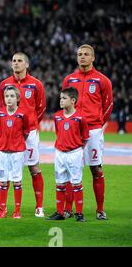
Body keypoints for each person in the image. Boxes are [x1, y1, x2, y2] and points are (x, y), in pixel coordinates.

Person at [0, 52, 46, 218]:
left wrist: (29, 124)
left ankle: (39, 206)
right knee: (5, 171)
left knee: (34, 168)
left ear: (26, 64)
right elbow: (2, 108)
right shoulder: (5, 84)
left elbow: (41, 108)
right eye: (14, 61)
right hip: (10, 133)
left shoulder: (36, 84)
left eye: (20, 61)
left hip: (30, 132)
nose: (16, 63)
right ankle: (2, 206)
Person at [61, 44, 113, 220]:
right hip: (73, 130)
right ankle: (68, 209)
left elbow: (108, 106)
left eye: (86, 54)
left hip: (93, 131)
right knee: (70, 169)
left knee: (96, 169)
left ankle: (100, 210)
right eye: (79, 54)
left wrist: (96, 124)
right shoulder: (69, 80)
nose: (82, 57)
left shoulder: (102, 80)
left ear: (93, 58)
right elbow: (64, 103)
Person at [47, 87, 89, 222]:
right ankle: (60, 212)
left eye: (64, 98)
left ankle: (79, 213)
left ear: (73, 100)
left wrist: (76, 149)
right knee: (60, 184)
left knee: (76, 183)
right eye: (60, 98)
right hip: (59, 153)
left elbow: (85, 137)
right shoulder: (57, 116)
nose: (61, 101)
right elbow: (58, 134)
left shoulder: (80, 117)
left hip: (74, 153)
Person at [0, 86, 29, 219]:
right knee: (3, 180)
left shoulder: (23, 114)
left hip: (17, 152)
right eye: (7, 96)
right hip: (2, 151)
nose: (9, 99)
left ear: (18, 98)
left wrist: (16, 143)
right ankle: (3, 209)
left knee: (17, 181)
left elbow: (26, 132)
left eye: (12, 96)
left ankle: (17, 211)